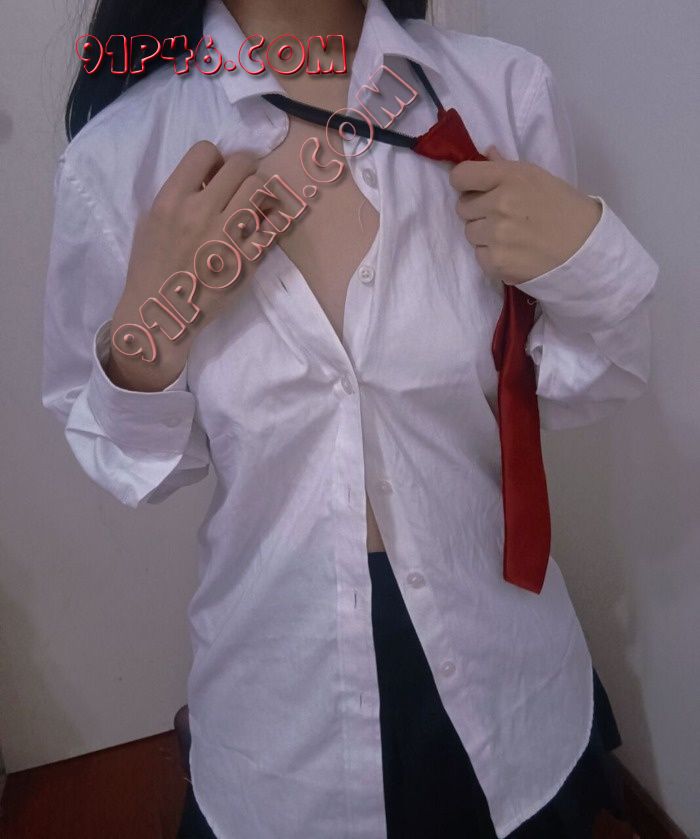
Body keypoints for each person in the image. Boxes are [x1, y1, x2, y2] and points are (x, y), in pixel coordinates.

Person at [42, 0, 658, 836]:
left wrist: (589, 255)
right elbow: (129, 461)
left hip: (510, 665)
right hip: (281, 710)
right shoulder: (118, 159)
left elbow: (565, 386)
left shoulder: (502, 94)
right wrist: (146, 338)